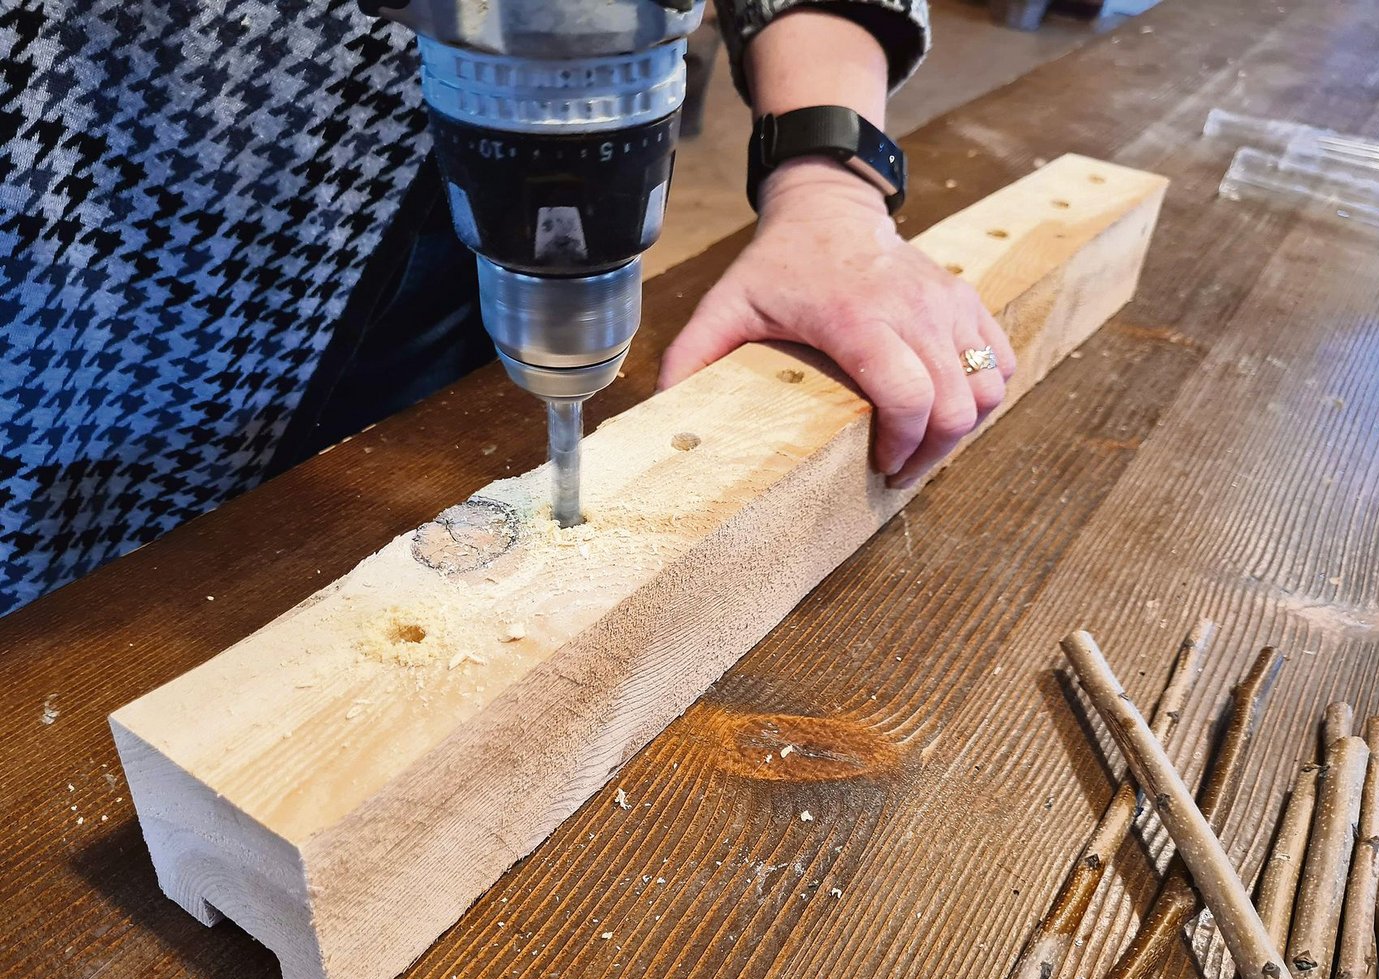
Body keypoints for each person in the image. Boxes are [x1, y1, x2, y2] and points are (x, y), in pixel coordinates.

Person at [0, 0, 1013, 618]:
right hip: (107, 214)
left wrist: (827, 182)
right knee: (102, 597)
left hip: (428, 217)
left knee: (375, 505)